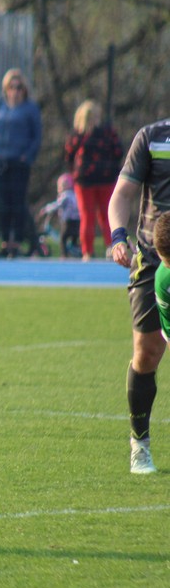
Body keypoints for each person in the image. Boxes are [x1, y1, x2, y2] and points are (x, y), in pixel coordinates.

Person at [108, 116, 170, 475]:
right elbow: (123, 194)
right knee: (147, 353)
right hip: (153, 259)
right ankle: (140, 445)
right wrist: (118, 235)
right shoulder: (151, 137)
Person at [0, 68, 42, 258]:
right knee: (3, 204)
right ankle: (4, 243)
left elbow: (36, 136)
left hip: (19, 163)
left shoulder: (30, 108)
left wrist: (28, 156)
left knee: (17, 204)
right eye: (11, 87)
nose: (15, 91)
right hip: (0, 162)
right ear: (6, 88)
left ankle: (16, 242)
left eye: (18, 87)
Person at [64, 99, 123, 260]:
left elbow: (68, 155)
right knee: (103, 215)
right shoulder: (105, 133)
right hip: (98, 179)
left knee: (92, 216)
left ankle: (91, 251)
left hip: (92, 180)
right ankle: (108, 248)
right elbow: (118, 151)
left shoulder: (81, 135)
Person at [37, 173, 80, 258]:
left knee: (63, 238)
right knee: (74, 238)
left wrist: (46, 209)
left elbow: (57, 205)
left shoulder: (65, 196)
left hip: (68, 221)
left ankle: (64, 255)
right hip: (78, 221)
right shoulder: (75, 195)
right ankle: (76, 250)